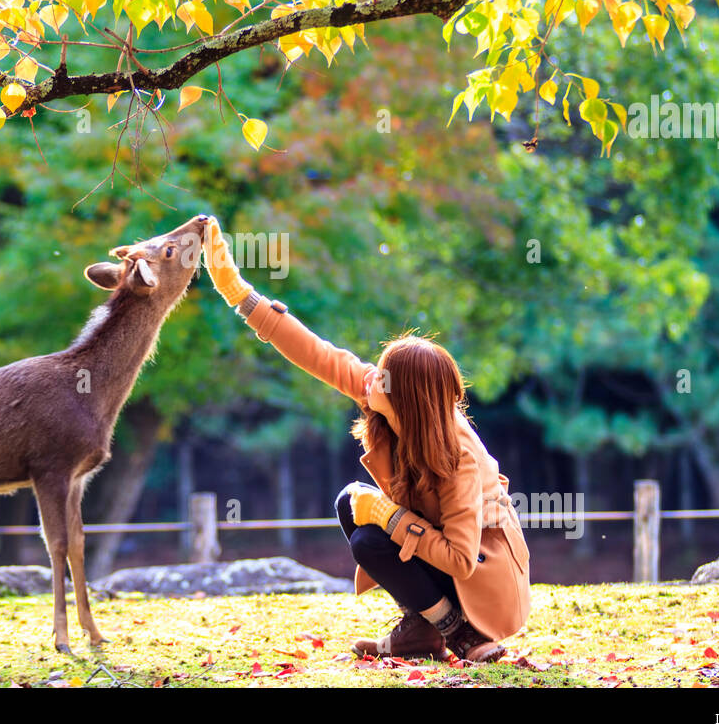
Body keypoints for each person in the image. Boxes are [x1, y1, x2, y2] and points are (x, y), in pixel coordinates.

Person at [202, 217, 530, 662]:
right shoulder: (393, 402)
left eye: (383, 374)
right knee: (349, 505)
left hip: (485, 584)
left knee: (370, 539)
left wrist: (390, 517)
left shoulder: (460, 457)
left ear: (407, 398)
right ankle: (422, 626)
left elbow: (460, 559)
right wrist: (239, 293)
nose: (369, 376)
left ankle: (460, 636)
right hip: (446, 559)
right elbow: (319, 355)